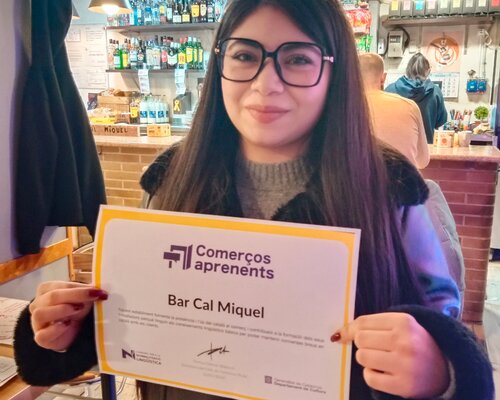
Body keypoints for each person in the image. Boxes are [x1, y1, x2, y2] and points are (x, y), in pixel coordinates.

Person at [14, 1, 493, 399]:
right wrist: (68, 329)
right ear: (219, 63)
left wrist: (441, 372)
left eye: (298, 59)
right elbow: (143, 314)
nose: (266, 83)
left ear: (336, 72)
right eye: (245, 55)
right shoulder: (170, 180)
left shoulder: (394, 189)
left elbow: (440, 320)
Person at [359, 53, 430, 169]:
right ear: (383, 77)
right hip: (403, 179)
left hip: (358, 179)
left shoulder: (343, 110)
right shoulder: (410, 107)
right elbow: (423, 161)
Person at [385, 53, 448, 144]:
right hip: (425, 148)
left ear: (407, 70)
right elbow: (440, 121)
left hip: (396, 148)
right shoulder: (435, 92)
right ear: (428, 71)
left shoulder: (390, 90)